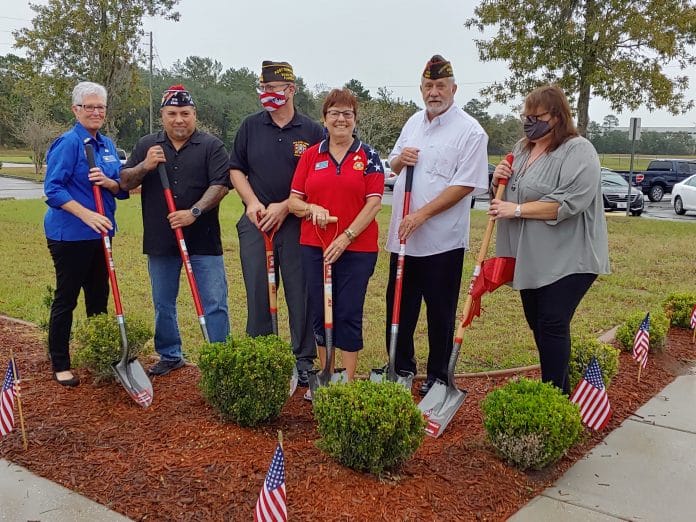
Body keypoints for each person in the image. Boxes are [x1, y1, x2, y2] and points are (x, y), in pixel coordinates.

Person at [489, 84, 610, 394]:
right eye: (525, 116)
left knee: (552, 322)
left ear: (556, 116)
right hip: (530, 259)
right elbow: (504, 195)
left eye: (536, 116)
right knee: (538, 324)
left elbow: (570, 202)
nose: (529, 121)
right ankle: (557, 389)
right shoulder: (521, 148)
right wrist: (498, 179)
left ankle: (555, 397)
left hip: (570, 257)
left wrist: (515, 209)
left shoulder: (578, 149)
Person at [386, 55, 490, 396]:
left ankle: (438, 377)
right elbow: (394, 166)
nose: (434, 92)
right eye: (428, 86)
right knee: (399, 305)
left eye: (441, 86)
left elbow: (465, 185)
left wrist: (422, 215)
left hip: (442, 242)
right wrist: (402, 159)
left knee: (440, 312)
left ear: (454, 89)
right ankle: (399, 367)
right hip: (404, 239)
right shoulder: (413, 123)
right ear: (421, 88)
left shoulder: (470, 132)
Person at [120, 85, 231, 376]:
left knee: (215, 302)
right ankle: (170, 354)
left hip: (204, 240)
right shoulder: (148, 145)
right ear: (162, 116)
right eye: (172, 113)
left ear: (194, 115)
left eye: (185, 113)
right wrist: (146, 165)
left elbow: (220, 186)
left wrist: (193, 212)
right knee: (163, 302)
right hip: (161, 239)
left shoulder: (211, 146)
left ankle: (217, 358)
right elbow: (125, 181)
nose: (179, 119)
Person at [229, 61, 324, 386]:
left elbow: (318, 178)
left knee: (301, 293)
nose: (267, 95)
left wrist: (286, 206)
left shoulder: (312, 131)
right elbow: (236, 169)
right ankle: (263, 354)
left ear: (291, 90)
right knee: (258, 289)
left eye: (273, 89)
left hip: (297, 224)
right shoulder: (250, 126)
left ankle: (303, 359)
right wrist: (253, 203)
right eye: (264, 89)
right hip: (257, 223)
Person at [288, 88, 384, 391]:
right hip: (315, 247)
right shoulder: (310, 156)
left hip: (357, 249)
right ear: (324, 119)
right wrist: (310, 207)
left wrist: (346, 236)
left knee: (347, 311)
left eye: (347, 114)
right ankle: (326, 377)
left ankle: (348, 380)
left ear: (355, 119)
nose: (341, 119)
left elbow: (374, 203)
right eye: (334, 113)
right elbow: (293, 202)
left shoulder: (368, 156)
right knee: (320, 310)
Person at [44, 81, 129, 387]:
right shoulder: (68, 144)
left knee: (98, 297)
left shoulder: (106, 145)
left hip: (101, 234)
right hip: (70, 234)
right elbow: (52, 189)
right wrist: (86, 214)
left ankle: (99, 356)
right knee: (67, 298)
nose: (95, 112)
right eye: (88, 106)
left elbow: (120, 189)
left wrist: (111, 183)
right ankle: (61, 362)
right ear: (75, 110)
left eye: (100, 107)